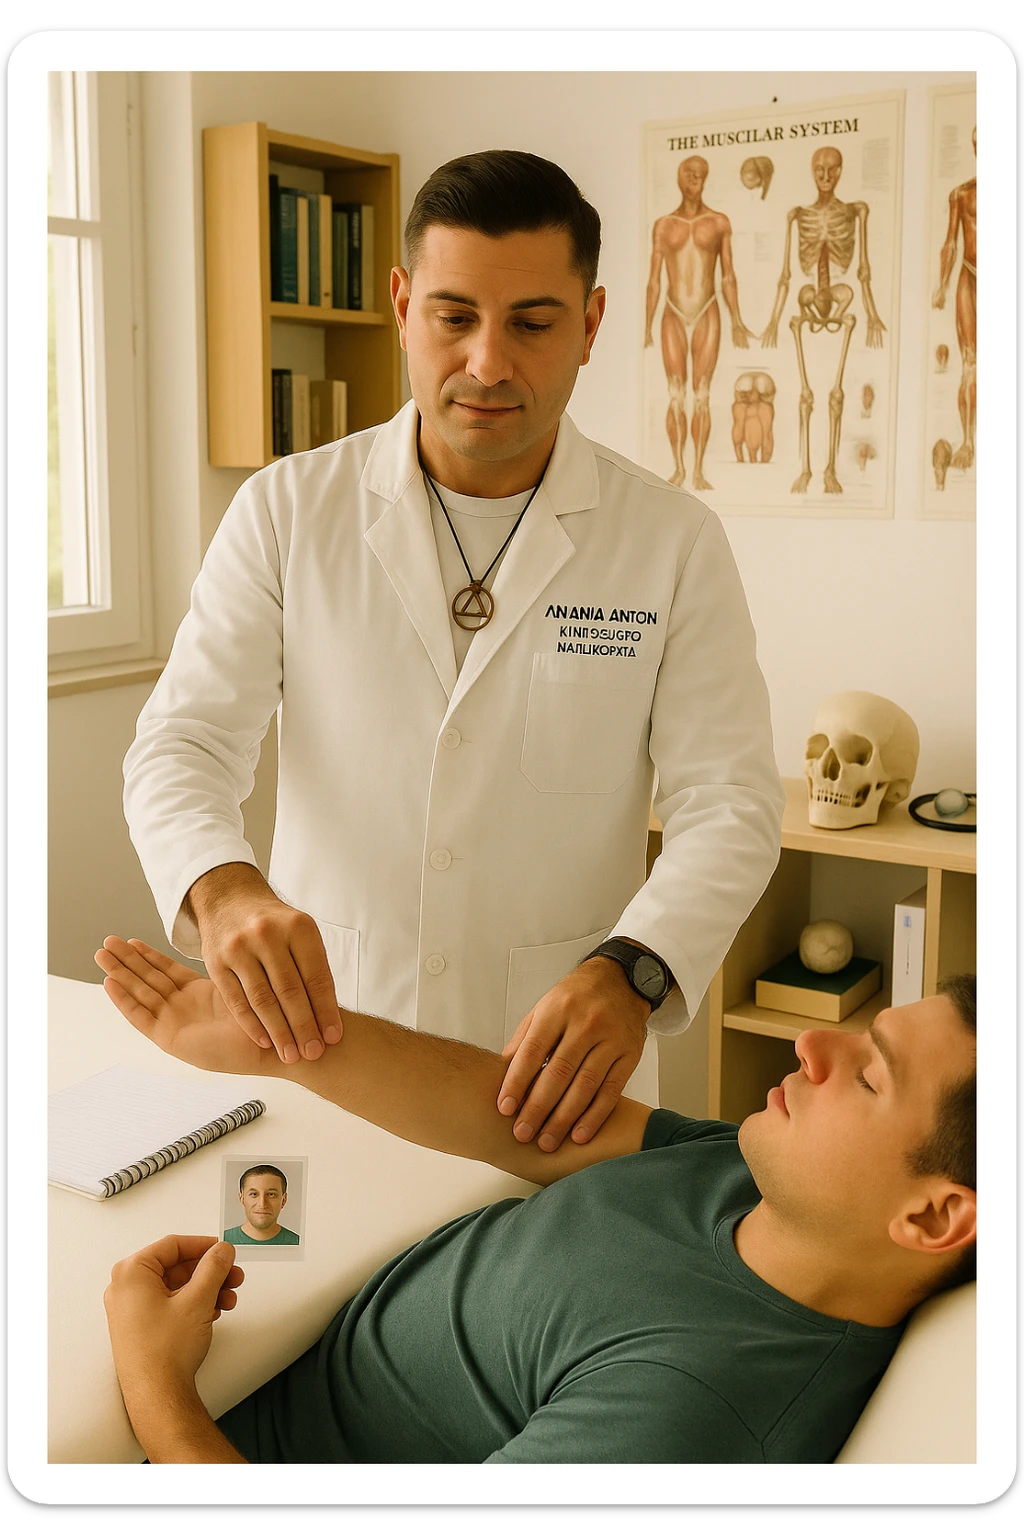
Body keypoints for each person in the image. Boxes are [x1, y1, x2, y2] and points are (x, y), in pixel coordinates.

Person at [123, 149, 784, 1157]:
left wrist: (635, 970)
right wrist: (226, 893)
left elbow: (729, 805)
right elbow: (184, 744)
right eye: (453, 316)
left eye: (531, 322)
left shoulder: (669, 541)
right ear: (400, 304)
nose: (486, 362)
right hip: (324, 1045)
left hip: (547, 1082)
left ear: (591, 324)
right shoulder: (288, 510)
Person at [97, 936, 976, 1465]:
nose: (813, 1043)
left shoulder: (694, 1410)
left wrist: (153, 1382)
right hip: (260, 1357)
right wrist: (273, 1045)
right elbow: (515, 1117)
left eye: (867, 1075)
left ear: (933, 1217)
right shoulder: (754, 1178)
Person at [644, 155, 754, 489]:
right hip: (673, 312)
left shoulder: (718, 222)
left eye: (701, 174)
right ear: (679, 178)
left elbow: (728, 275)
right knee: (676, 395)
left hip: (707, 309)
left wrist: (736, 319)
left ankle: (698, 470)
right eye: (690, 173)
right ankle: (678, 467)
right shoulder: (664, 225)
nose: (696, 178)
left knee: (702, 395)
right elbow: (654, 280)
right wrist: (647, 325)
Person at [223, 1165, 300, 1247]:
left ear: (284, 1200)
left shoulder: (299, 1243)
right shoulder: (222, 1240)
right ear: (242, 1198)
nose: (262, 1204)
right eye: (254, 1194)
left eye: (271, 1194)